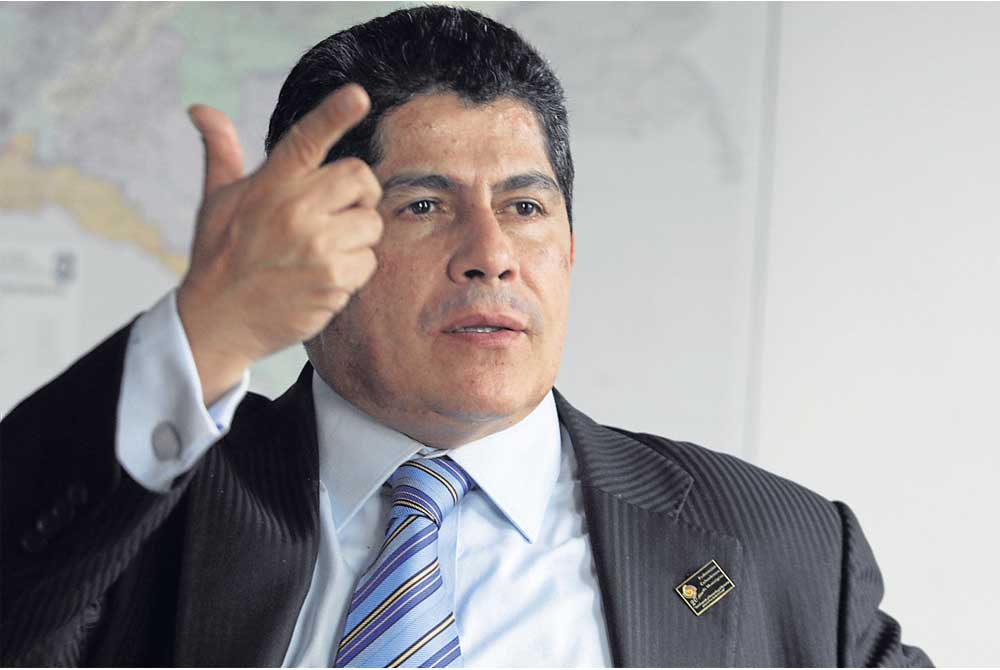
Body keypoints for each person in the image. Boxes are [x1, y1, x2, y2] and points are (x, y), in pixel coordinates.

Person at [0, 6, 930, 667]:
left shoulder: (783, 550)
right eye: (423, 205)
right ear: (319, 242)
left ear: (569, 246)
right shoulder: (145, 516)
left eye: (525, 206)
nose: (491, 255)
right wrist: (210, 328)